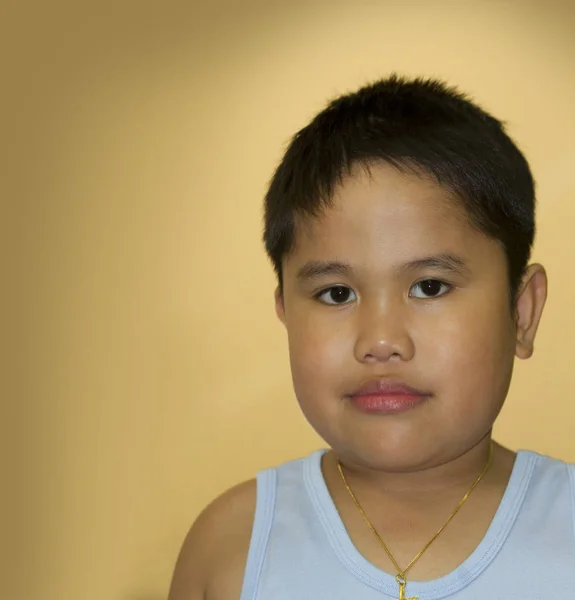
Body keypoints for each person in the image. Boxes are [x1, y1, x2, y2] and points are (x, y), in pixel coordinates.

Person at [168, 75, 575, 600]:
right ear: (286, 312)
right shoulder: (234, 548)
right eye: (337, 294)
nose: (380, 341)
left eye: (429, 287)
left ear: (521, 311)